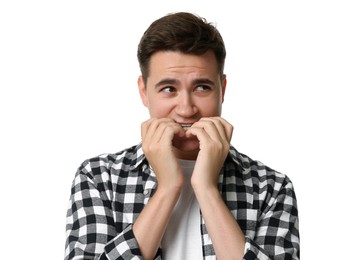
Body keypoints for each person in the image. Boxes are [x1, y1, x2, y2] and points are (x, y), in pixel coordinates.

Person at [64, 12, 300, 260]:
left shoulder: (271, 187)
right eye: (168, 89)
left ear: (223, 89)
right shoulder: (99, 178)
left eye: (202, 87)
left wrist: (207, 189)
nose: (186, 109)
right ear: (144, 92)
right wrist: (167, 188)